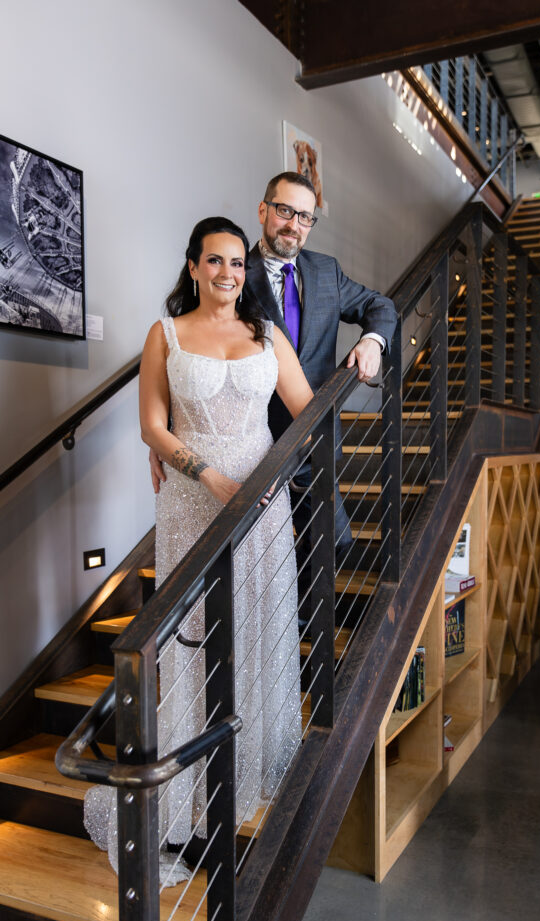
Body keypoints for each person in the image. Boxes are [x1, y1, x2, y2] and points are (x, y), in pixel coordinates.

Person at [84, 216, 314, 886]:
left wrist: (367, 356)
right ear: (192, 267)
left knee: (259, 636)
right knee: (192, 646)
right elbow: (152, 426)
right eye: (214, 261)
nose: (227, 274)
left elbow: (305, 410)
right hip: (191, 500)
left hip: (261, 506)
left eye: (238, 263)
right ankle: (186, 804)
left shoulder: (267, 335)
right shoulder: (166, 334)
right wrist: (204, 473)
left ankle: (246, 776)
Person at [151, 173, 397, 628]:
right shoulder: (233, 271)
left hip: (310, 439)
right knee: (247, 560)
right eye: (284, 211)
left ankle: (287, 631)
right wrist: (163, 434)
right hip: (251, 446)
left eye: (305, 216)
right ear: (263, 211)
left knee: (331, 541)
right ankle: (261, 635)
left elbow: (380, 306)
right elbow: (194, 358)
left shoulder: (326, 272)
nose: (294, 225)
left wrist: (373, 342)